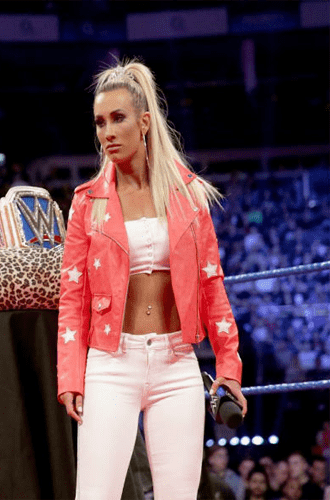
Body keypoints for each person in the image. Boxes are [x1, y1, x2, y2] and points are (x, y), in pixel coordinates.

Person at [57, 59, 246, 499]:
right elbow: (72, 297)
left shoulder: (189, 196)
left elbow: (212, 286)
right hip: (110, 363)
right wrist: (70, 377)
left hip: (177, 362)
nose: (107, 132)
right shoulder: (86, 202)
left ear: (144, 123)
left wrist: (229, 366)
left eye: (118, 118)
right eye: (100, 122)